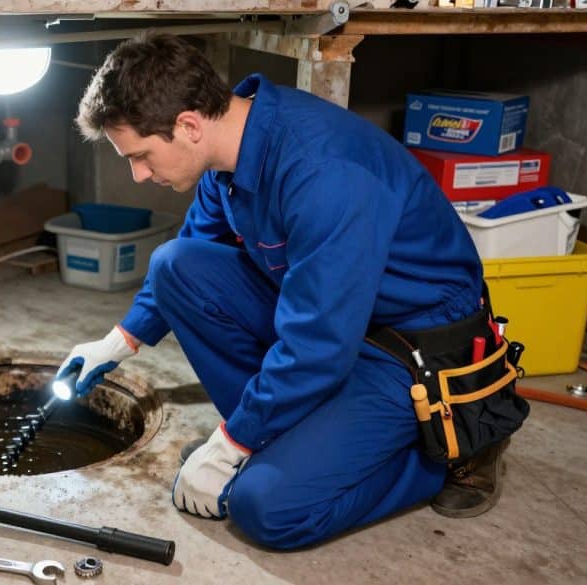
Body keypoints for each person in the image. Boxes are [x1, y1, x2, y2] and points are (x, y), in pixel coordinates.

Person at [56, 33, 527, 550]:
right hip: (342, 322)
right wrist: (120, 341)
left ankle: (449, 447)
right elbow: (194, 248)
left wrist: (230, 443)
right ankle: (281, 441)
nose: (139, 174)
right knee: (176, 266)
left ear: (188, 125)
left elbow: (318, 347)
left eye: (142, 156)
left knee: (266, 508)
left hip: (413, 348)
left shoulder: (324, 173)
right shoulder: (227, 149)